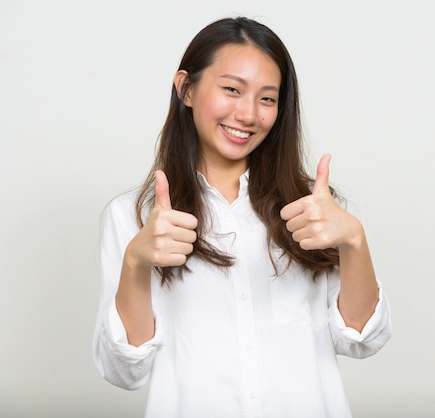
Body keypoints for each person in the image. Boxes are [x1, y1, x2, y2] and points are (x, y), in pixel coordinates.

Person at [92, 16, 391, 418]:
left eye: (267, 98)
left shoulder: (311, 210)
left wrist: (354, 241)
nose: (248, 114)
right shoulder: (132, 215)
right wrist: (135, 261)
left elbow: (361, 340)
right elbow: (124, 371)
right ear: (187, 89)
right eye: (232, 90)